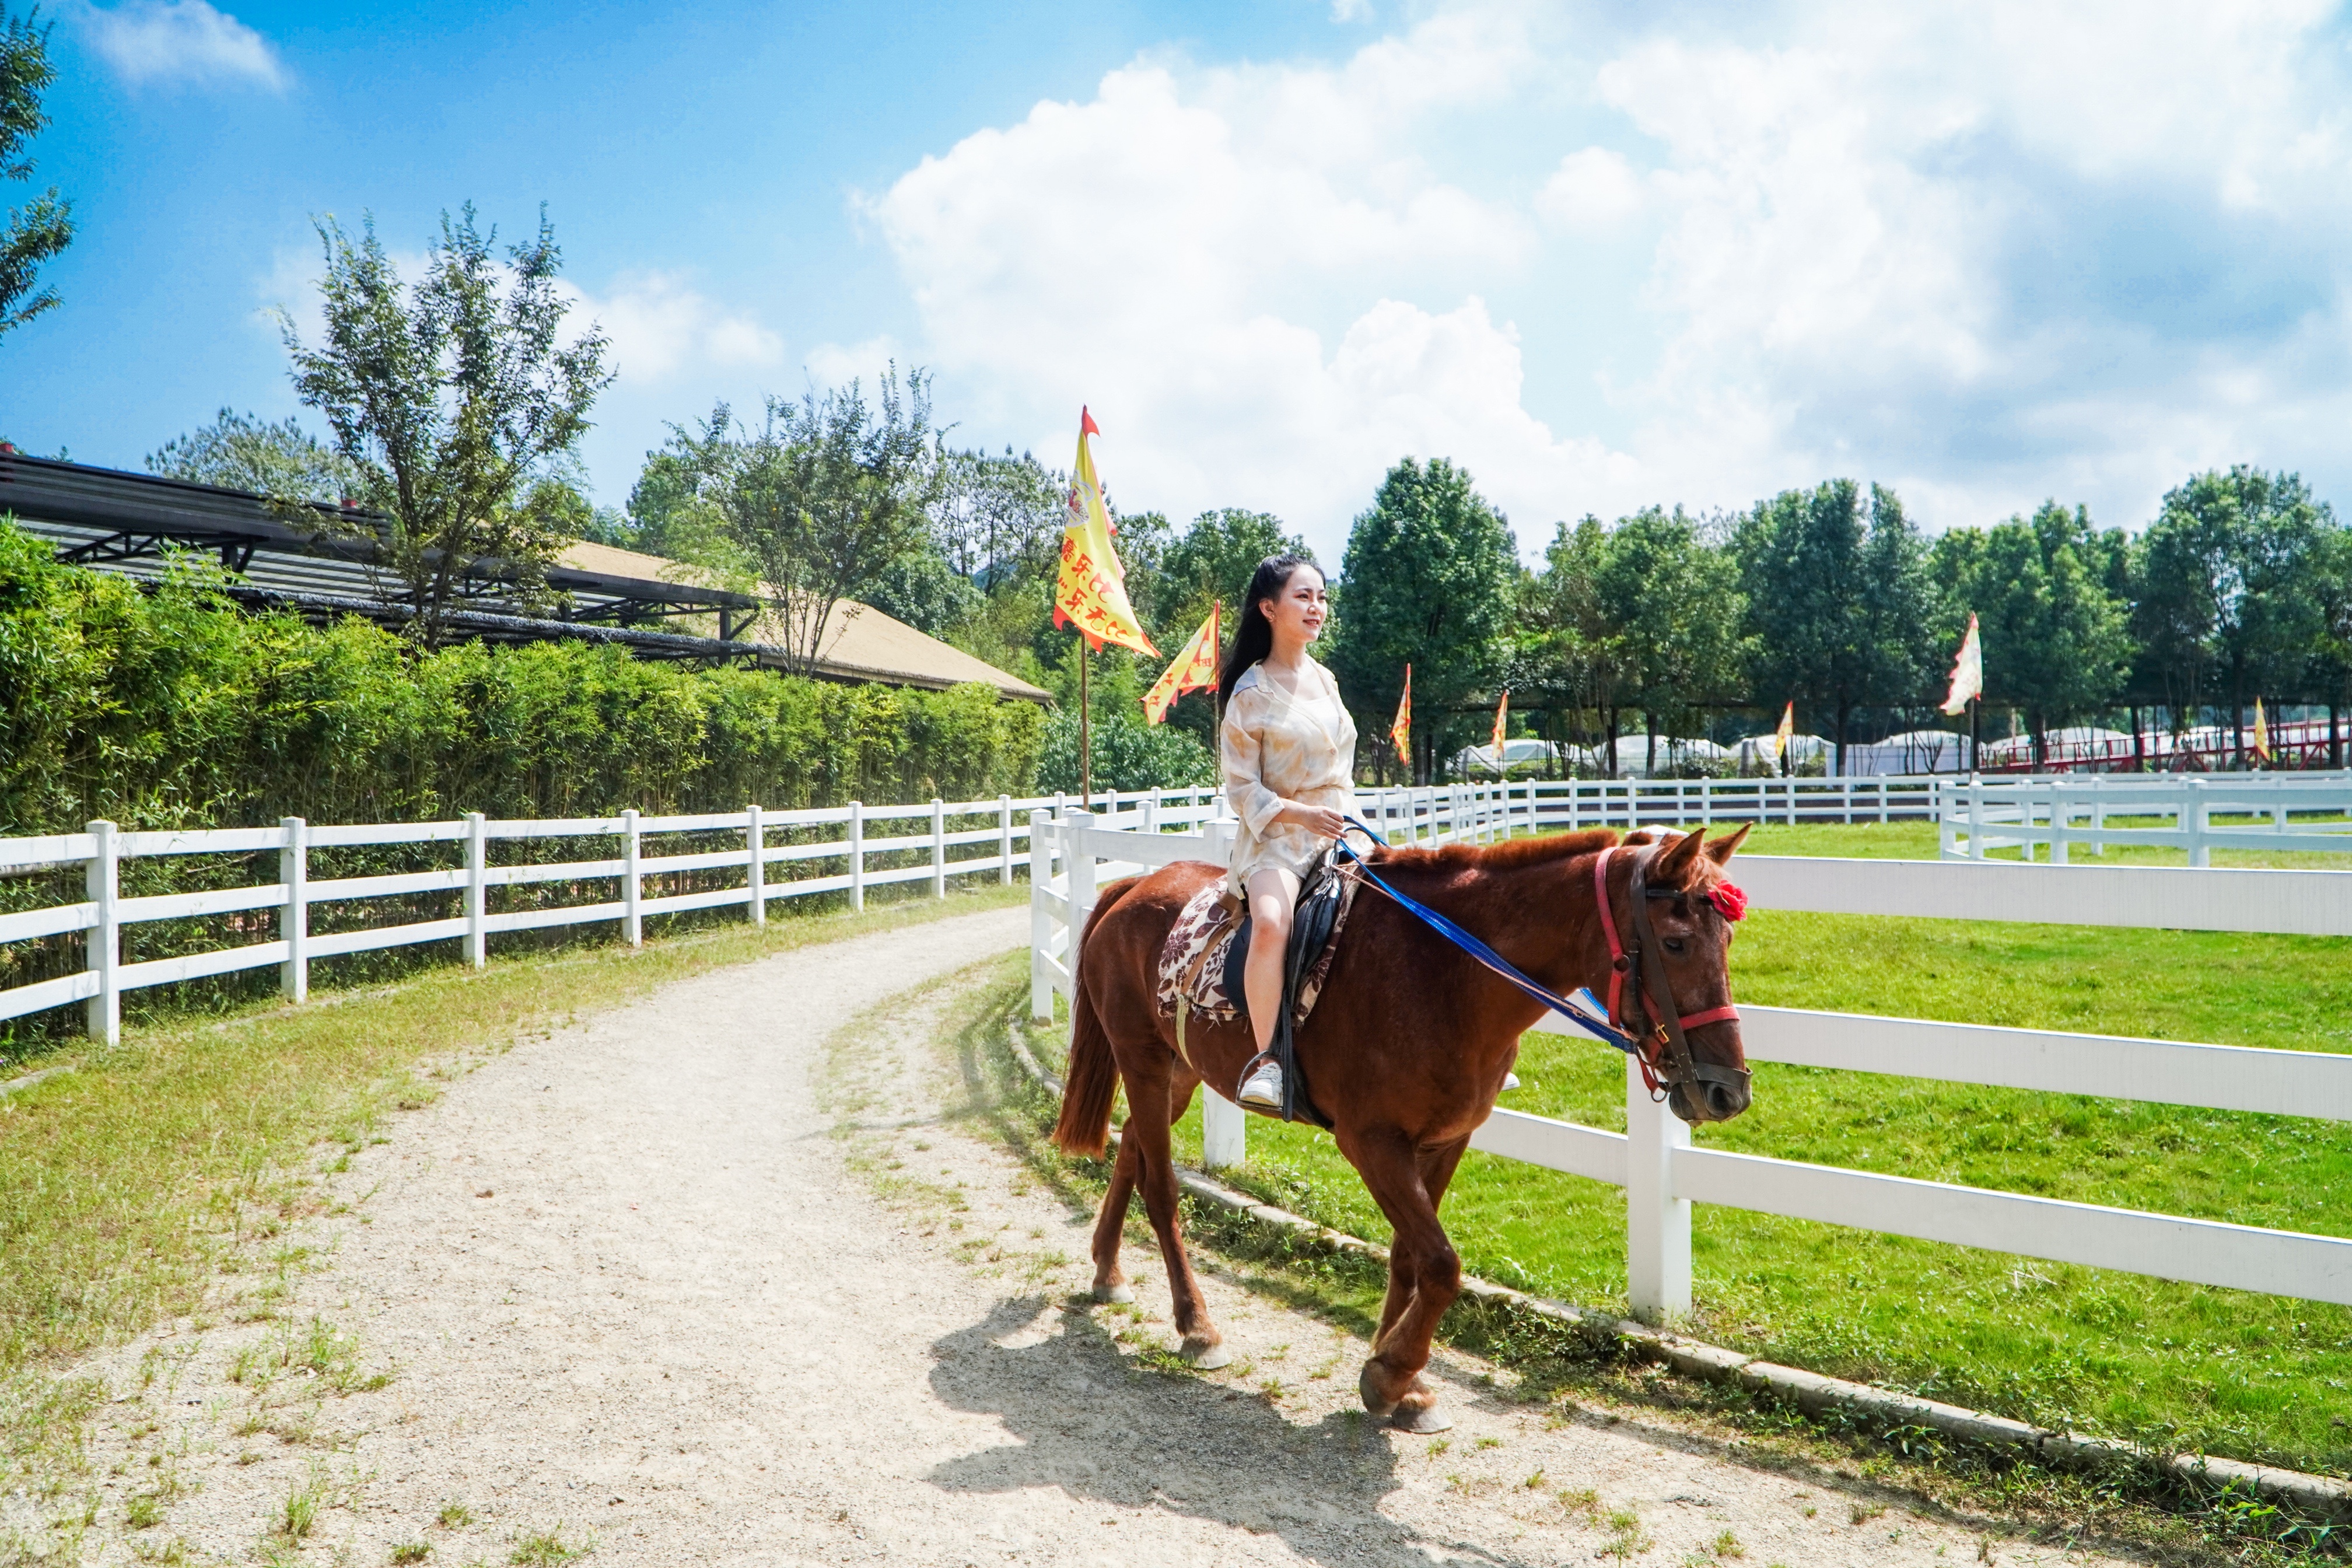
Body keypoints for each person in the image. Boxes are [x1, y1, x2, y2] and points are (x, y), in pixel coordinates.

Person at [1217, 554, 1359, 1111]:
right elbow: (1241, 789)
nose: (1316, 607)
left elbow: (1340, 772)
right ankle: (1268, 1061)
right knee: (1273, 923)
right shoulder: (1250, 694)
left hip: (1341, 830)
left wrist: (1346, 820)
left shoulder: (1327, 680)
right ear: (1269, 608)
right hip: (1275, 840)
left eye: (1321, 597)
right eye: (1303, 596)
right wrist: (1302, 817)